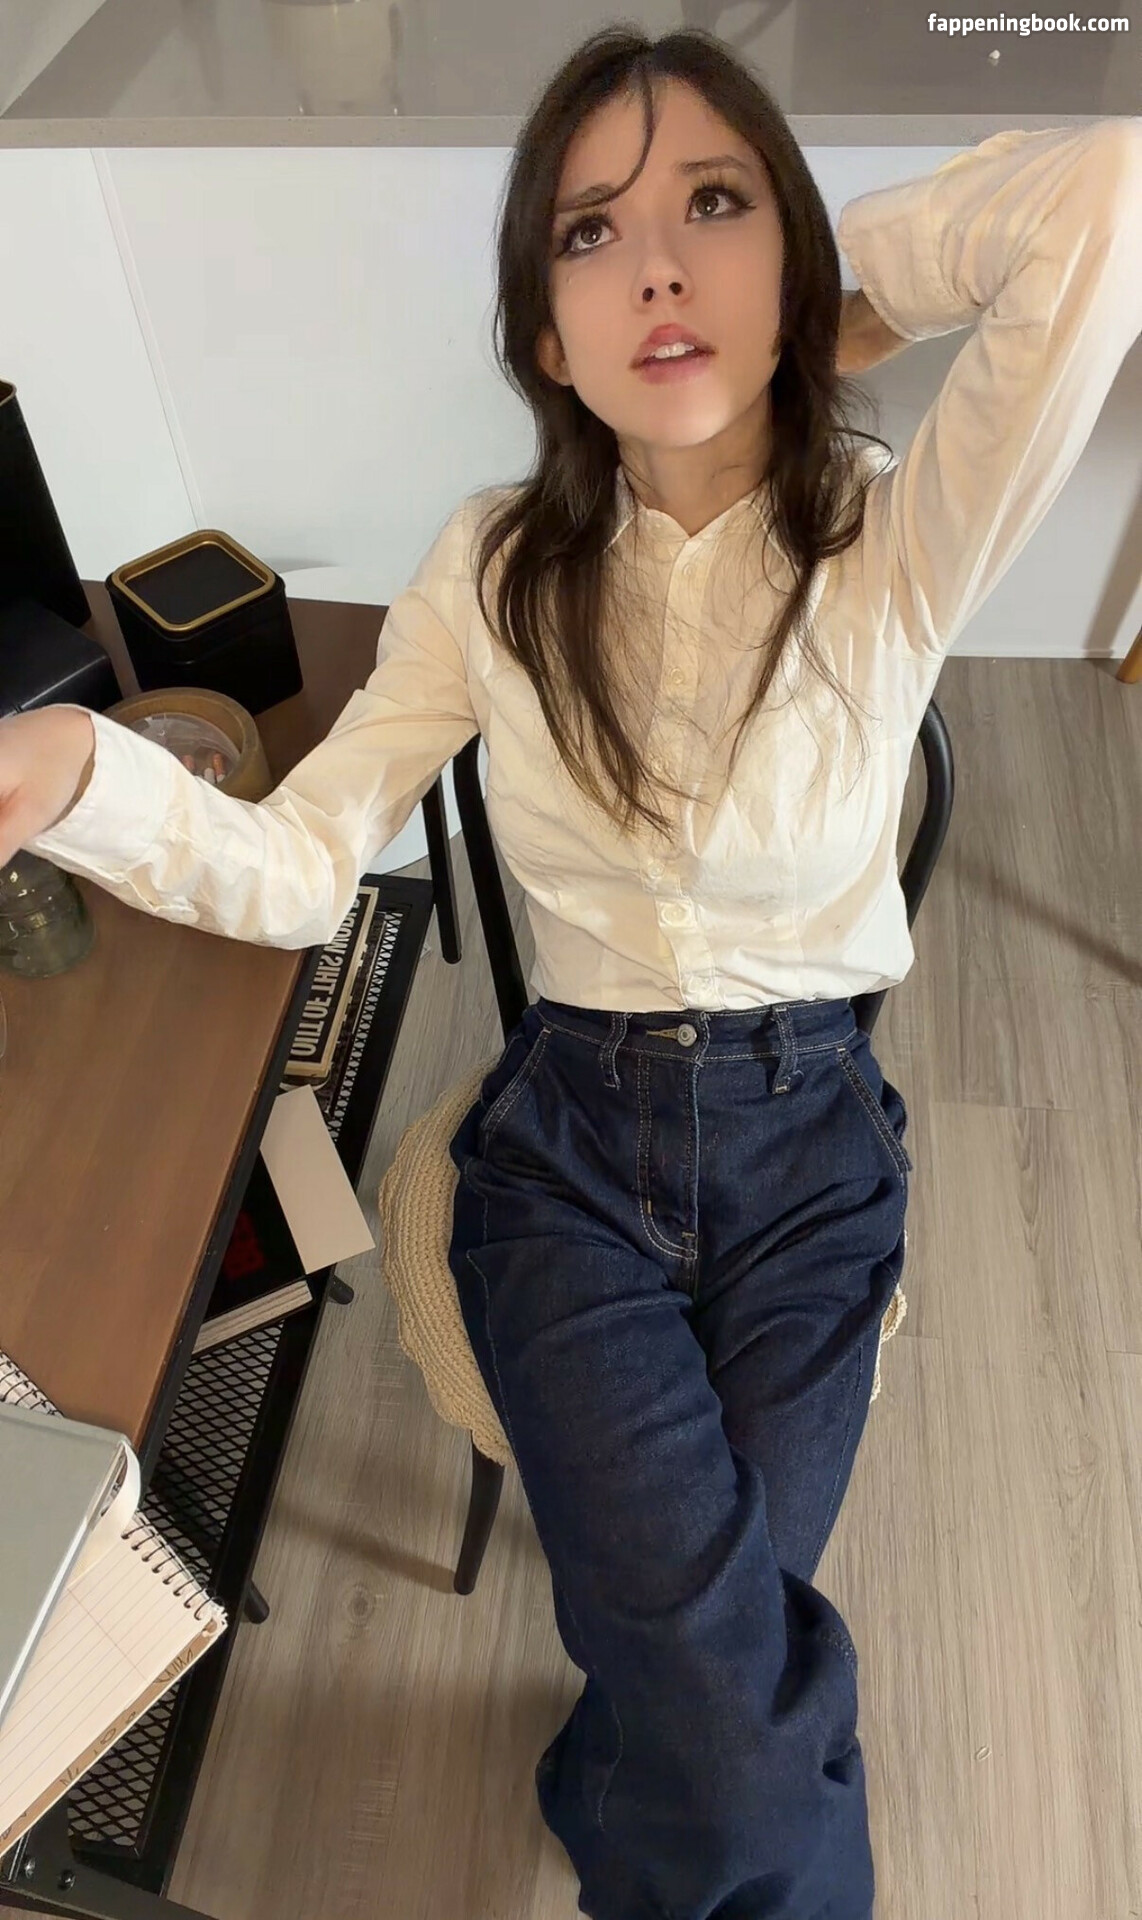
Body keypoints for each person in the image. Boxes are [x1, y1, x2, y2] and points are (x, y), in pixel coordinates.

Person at [2, 26, 1140, 1920]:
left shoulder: (889, 534)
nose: (659, 270)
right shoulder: (489, 570)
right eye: (591, 234)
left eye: (715, 206)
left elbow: (1102, 197)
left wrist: (830, 305)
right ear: (544, 331)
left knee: (697, 1655)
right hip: (567, 1172)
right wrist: (72, 774)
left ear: (789, 251)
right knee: (718, 1666)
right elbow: (302, 866)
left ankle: (616, 1777)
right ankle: (639, 1781)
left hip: (811, 1159)